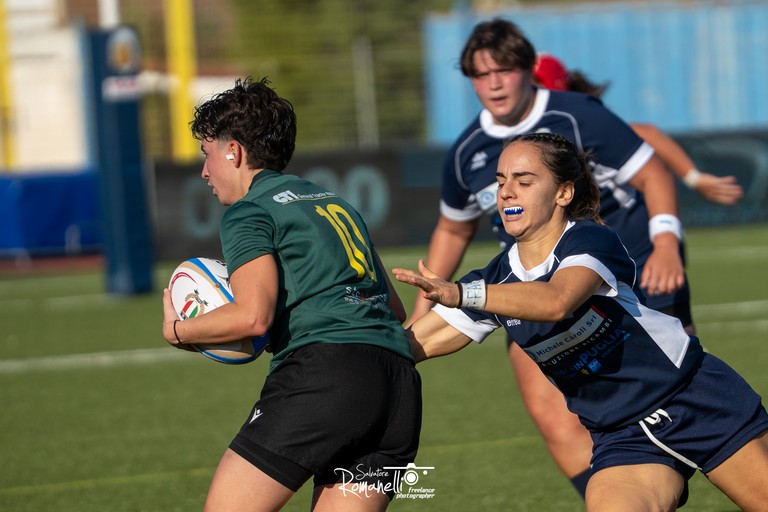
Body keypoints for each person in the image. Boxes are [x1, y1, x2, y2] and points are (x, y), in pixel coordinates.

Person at [394, 132, 768, 511]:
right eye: (501, 181)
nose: (506, 192)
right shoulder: (495, 280)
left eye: (524, 181)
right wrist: (346, 341)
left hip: (696, 400)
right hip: (622, 437)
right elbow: (405, 345)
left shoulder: (590, 240)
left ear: (563, 193)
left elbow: (557, 300)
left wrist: (464, 293)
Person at [409, 17, 691, 497]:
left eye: (505, 69)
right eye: (481, 74)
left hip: (627, 270)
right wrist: (422, 309)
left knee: (673, 390)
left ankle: (687, 456)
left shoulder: (578, 114)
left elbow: (654, 173)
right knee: (551, 415)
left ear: (528, 69)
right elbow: (454, 228)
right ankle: (619, 494)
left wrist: (666, 241)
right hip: (527, 285)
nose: (494, 82)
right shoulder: (465, 152)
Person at [160, 77, 422, 512]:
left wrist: (178, 330)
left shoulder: (250, 211)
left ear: (234, 151)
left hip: (324, 378)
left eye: (207, 156)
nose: (204, 172)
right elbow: (392, 309)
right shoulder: (334, 203)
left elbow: (252, 318)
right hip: (397, 388)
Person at [533, 52, 744, 206]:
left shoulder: (579, 120)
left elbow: (647, 133)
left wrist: (694, 178)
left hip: (620, 232)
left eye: (535, 86)